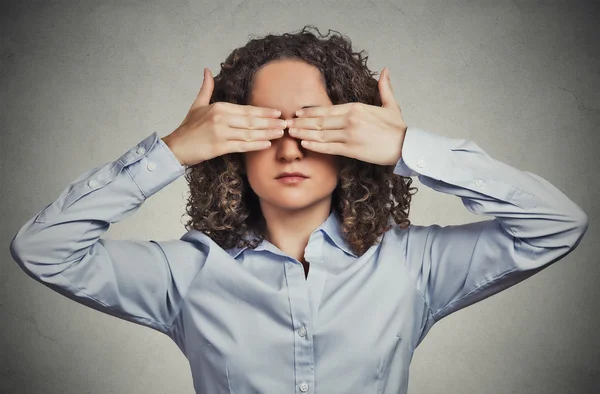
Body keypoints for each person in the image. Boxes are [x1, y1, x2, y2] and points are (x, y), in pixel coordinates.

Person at [9, 25, 588, 394]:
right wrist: (171, 151)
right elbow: (43, 248)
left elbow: (555, 224)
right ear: (232, 143)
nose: (290, 146)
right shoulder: (186, 275)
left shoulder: (412, 265)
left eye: (316, 125)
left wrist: (407, 147)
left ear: (350, 137)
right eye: (264, 127)